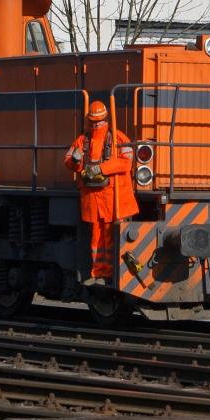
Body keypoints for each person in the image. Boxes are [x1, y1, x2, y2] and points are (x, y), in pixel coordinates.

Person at [64, 101, 139, 284]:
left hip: (113, 200)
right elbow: (68, 161)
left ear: (106, 120)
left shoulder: (118, 139)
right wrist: (74, 161)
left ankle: (110, 273)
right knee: (97, 238)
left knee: (110, 236)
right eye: (93, 122)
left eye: (99, 122)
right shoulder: (82, 140)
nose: (96, 125)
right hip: (94, 200)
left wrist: (101, 169)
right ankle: (98, 273)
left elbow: (126, 162)